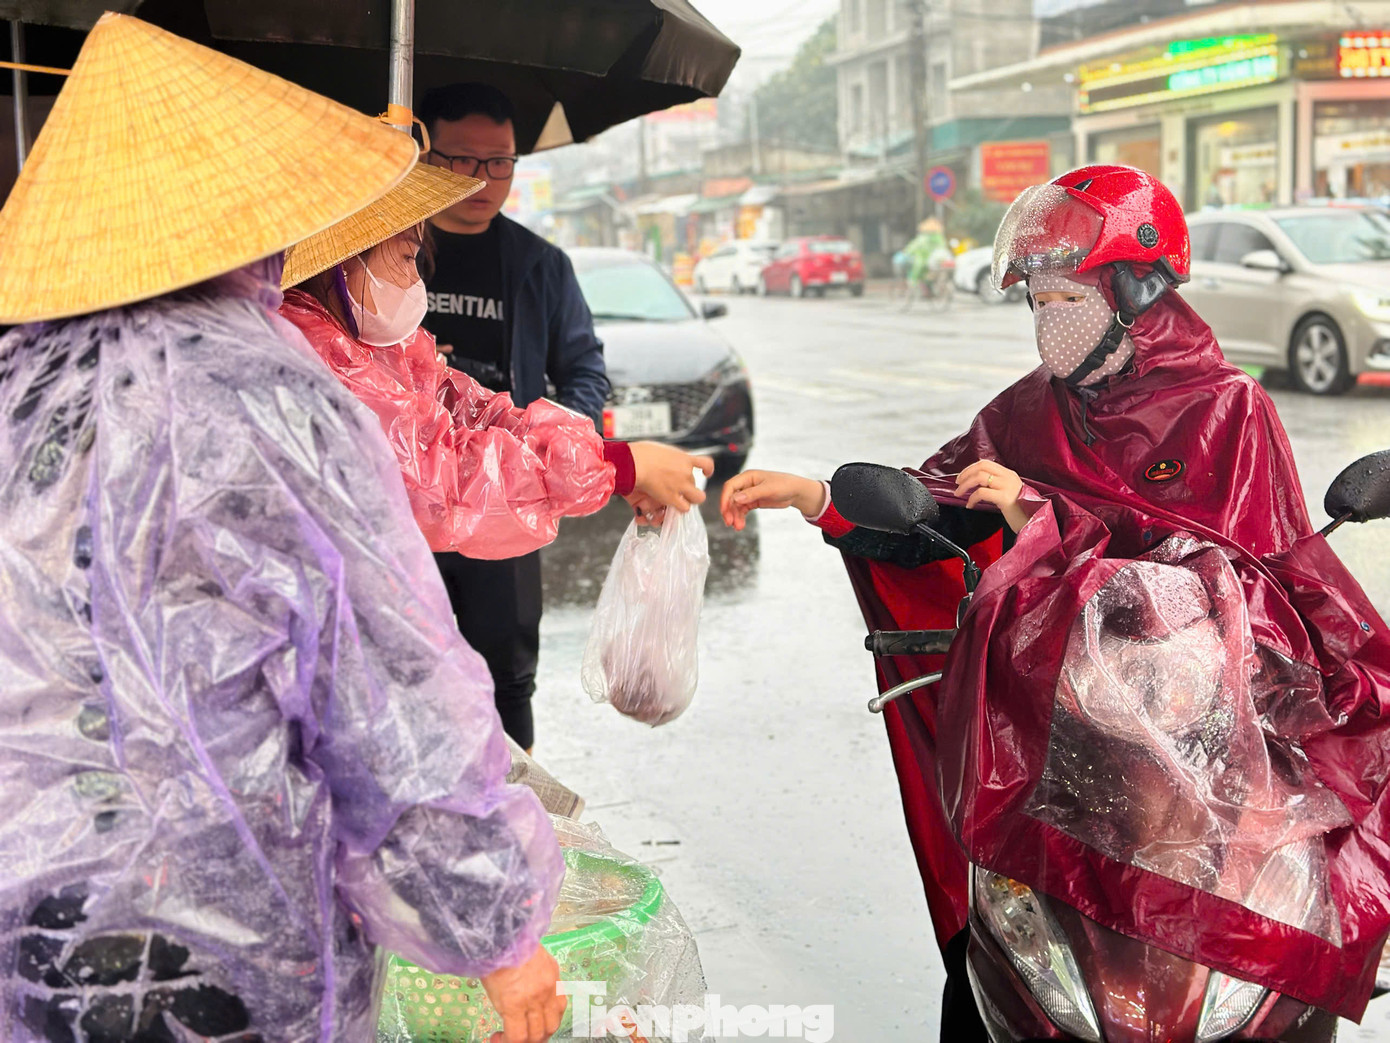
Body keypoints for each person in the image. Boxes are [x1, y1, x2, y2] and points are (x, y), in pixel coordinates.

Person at [0, 15, 566, 1042]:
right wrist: (495, 931)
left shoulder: (16, 386)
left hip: (31, 935)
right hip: (223, 945)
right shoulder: (263, 392)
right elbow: (385, 700)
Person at [721, 166, 1390, 1030]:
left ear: (1135, 289)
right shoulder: (1025, 417)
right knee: (977, 988)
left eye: (1066, 297)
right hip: (1062, 758)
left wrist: (1041, 513)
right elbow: (942, 511)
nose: (1047, 323)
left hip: (1207, 773)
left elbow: (1239, 591)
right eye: (1035, 302)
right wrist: (822, 498)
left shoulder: (1228, 412)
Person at [278, 160, 712, 572]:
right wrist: (618, 466)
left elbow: (471, 410)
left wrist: (606, 460)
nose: (415, 282)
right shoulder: (307, 349)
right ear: (347, 256)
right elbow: (441, 476)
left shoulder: (363, 343)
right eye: (409, 258)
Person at [416, 81, 610, 751]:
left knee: (508, 680)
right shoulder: (390, 252)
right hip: (406, 509)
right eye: (464, 160)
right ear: (425, 155)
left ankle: (513, 824)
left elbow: (585, 371)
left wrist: (554, 441)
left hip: (507, 507)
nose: (485, 179)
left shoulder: (539, 266)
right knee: (409, 675)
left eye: (500, 162)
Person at [900, 217, 952, 311]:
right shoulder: (940, 238)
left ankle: (915, 290)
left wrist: (906, 252)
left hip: (923, 263)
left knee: (915, 276)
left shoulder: (922, 238)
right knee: (933, 277)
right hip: (939, 263)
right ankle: (931, 290)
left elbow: (912, 248)